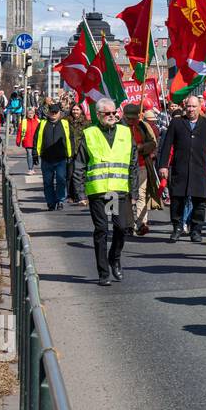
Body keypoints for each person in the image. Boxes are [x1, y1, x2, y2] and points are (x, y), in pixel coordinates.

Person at [74, 98, 137, 286]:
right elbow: (79, 165)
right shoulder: (90, 134)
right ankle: (103, 273)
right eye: (107, 113)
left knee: (120, 227)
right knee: (101, 230)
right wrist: (80, 193)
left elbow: (133, 165)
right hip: (98, 192)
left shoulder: (126, 133)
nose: (112, 116)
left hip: (117, 192)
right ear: (99, 115)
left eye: (114, 113)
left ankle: (114, 258)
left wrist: (134, 193)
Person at [157, 95, 206, 243]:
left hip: (200, 168)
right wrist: (163, 165)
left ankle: (196, 230)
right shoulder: (176, 123)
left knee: (199, 202)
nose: (191, 110)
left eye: (194, 107)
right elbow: (167, 144)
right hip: (180, 167)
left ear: (199, 107)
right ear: (184, 107)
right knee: (177, 199)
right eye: (188, 106)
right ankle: (177, 228)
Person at [121, 103, 160, 236]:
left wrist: (141, 147)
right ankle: (128, 224)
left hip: (141, 165)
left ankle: (141, 223)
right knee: (126, 196)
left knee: (141, 194)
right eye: (129, 118)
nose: (132, 121)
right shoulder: (118, 128)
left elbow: (153, 143)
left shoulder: (143, 126)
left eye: (134, 118)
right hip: (124, 168)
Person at [35, 102, 72, 211]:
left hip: (61, 158)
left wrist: (70, 155)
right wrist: (34, 154)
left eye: (56, 112)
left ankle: (60, 200)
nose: (54, 114)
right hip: (46, 158)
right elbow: (36, 139)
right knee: (47, 182)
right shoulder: (42, 124)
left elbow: (71, 139)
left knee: (61, 180)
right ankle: (50, 202)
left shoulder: (65, 124)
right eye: (52, 112)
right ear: (48, 113)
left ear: (59, 113)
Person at [15, 106, 39, 173]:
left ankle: (33, 166)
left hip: (36, 142)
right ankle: (30, 169)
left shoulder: (38, 121)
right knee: (29, 154)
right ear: (27, 114)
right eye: (29, 113)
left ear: (34, 113)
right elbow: (19, 131)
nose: (30, 114)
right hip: (27, 141)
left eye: (32, 113)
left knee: (35, 154)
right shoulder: (24, 122)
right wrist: (18, 141)